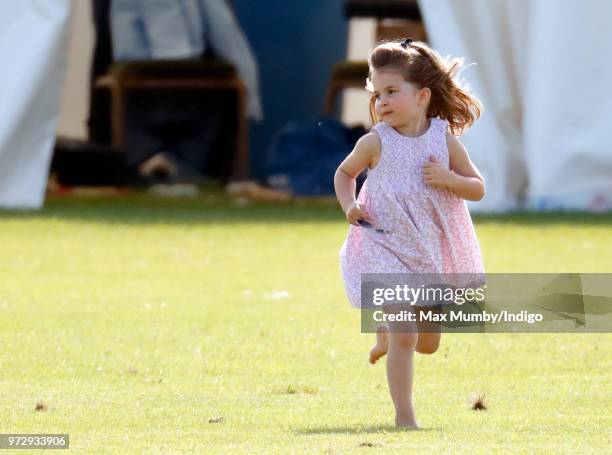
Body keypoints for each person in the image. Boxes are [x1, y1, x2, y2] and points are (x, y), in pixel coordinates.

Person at [334, 38, 486, 429]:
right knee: (407, 335)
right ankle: (405, 417)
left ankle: (385, 333)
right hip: (385, 242)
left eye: (391, 92)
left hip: (429, 248)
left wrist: (450, 179)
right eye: (376, 93)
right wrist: (350, 205)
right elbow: (344, 173)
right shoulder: (374, 141)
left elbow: (478, 187)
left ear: (421, 96)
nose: (381, 101)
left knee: (428, 343)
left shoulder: (443, 140)